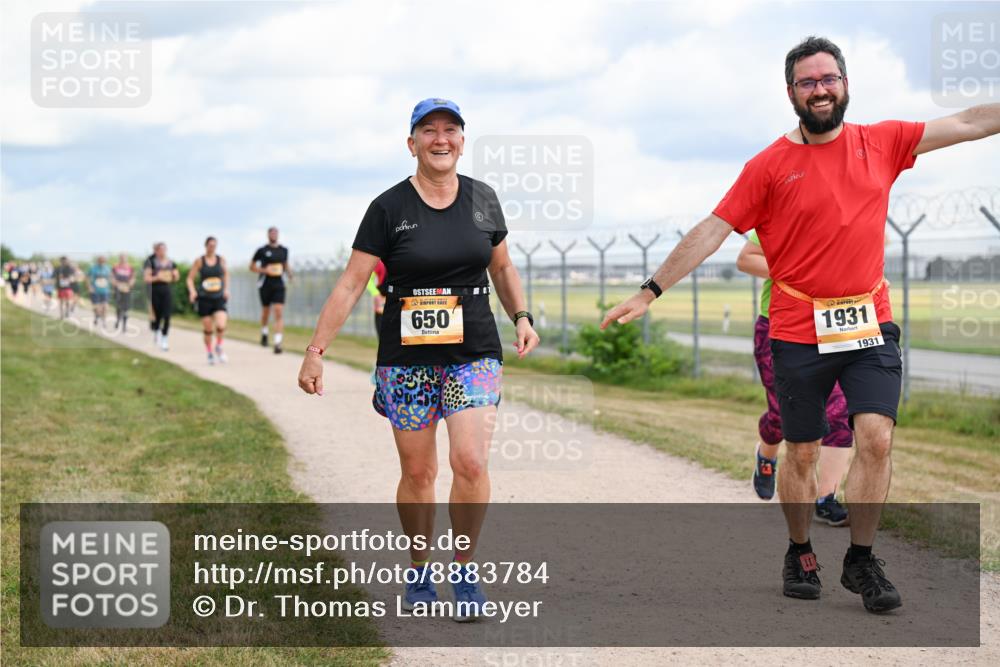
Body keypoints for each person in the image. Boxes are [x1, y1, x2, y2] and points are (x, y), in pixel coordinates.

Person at [601, 36, 1000, 614]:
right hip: (796, 328)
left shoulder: (882, 141)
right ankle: (799, 549)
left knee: (876, 437)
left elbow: (965, 122)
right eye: (808, 82)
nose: (820, 89)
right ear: (790, 92)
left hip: (869, 320)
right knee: (804, 452)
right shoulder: (767, 166)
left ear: (845, 84)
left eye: (828, 78)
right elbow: (714, 229)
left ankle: (861, 558)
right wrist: (650, 290)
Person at [297, 98, 539, 621]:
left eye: (450, 129)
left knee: (470, 462)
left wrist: (521, 315)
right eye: (428, 130)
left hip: (473, 353)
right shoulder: (387, 208)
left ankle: (465, 570)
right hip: (407, 361)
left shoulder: (483, 199)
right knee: (419, 471)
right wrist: (316, 351)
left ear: (462, 142)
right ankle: (419, 567)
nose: (440, 138)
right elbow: (352, 283)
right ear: (412, 144)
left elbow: (502, 267)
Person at [737, 231, 851, 526]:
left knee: (839, 411)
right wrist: (802, 272)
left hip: (831, 325)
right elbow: (746, 259)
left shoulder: (846, 218)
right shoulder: (784, 216)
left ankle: (826, 499)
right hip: (779, 327)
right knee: (782, 414)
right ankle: (766, 456)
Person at [187, 237, 230, 365]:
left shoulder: (221, 260)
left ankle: (219, 346)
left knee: (221, 325)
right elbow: (190, 278)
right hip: (204, 299)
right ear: (206, 246)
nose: (212, 247)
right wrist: (192, 291)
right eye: (210, 245)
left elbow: (226, 274)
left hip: (218, 297)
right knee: (208, 329)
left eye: (214, 245)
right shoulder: (199, 261)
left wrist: (226, 289)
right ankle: (209, 352)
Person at [250, 227, 291, 354]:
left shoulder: (284, 250)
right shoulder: (262, 250)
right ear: (268, 235)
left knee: (278, 312)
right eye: (271, 233)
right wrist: (264, 270)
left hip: (279, 284)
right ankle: (264, 332)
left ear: (278, 235)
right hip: (265, 284)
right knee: (266, 312)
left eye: (275, 233)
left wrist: (290, 274)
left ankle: (278, 343)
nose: (273, 235)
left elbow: (285, 264)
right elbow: (251, 266)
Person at [143, 243, 179, 351]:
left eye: (164, 249)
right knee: (157, 315)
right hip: (155, 290)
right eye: (160, 249)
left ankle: (164, 338)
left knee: (167, 315)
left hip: (166, 290)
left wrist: (174, 276)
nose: (162, 251)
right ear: (156, 251)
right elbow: (147, 278)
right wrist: (157, 277)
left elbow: (176, 277)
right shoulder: (151, 262)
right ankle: (157, 331)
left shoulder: (171, 263)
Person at [112, 254, 136, 331]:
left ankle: (124, 326)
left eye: (124, 258)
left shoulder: (130, 267)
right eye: (121, 258)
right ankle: (118, 319)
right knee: (119, 306)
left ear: (126, 259)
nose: (123, 259)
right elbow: (112, 277)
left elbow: (133, 278)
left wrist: (131, 284)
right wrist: (115, 283)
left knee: (126, 308)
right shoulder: (115, 267)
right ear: (119, 258)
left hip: (127, 289)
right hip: (118, 288)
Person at [87, 256, 113, 328]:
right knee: (96, 308)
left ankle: (104, 321)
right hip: (95, 290)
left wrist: (111, 287)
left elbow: (110, 277)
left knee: (105, 306)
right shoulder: (93, 268)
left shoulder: (107, 268)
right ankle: (97, 316)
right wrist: (89, 287)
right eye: (100, 261)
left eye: (103, 261)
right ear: (98, 261)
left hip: (105, 290)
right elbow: (87, 277)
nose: (102, 263)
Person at [367, 259, 388, 335]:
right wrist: (376, 294)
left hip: (399, 302)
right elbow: (368, 280)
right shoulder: (379, 263)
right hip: (382, 300)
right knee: (382, 332)